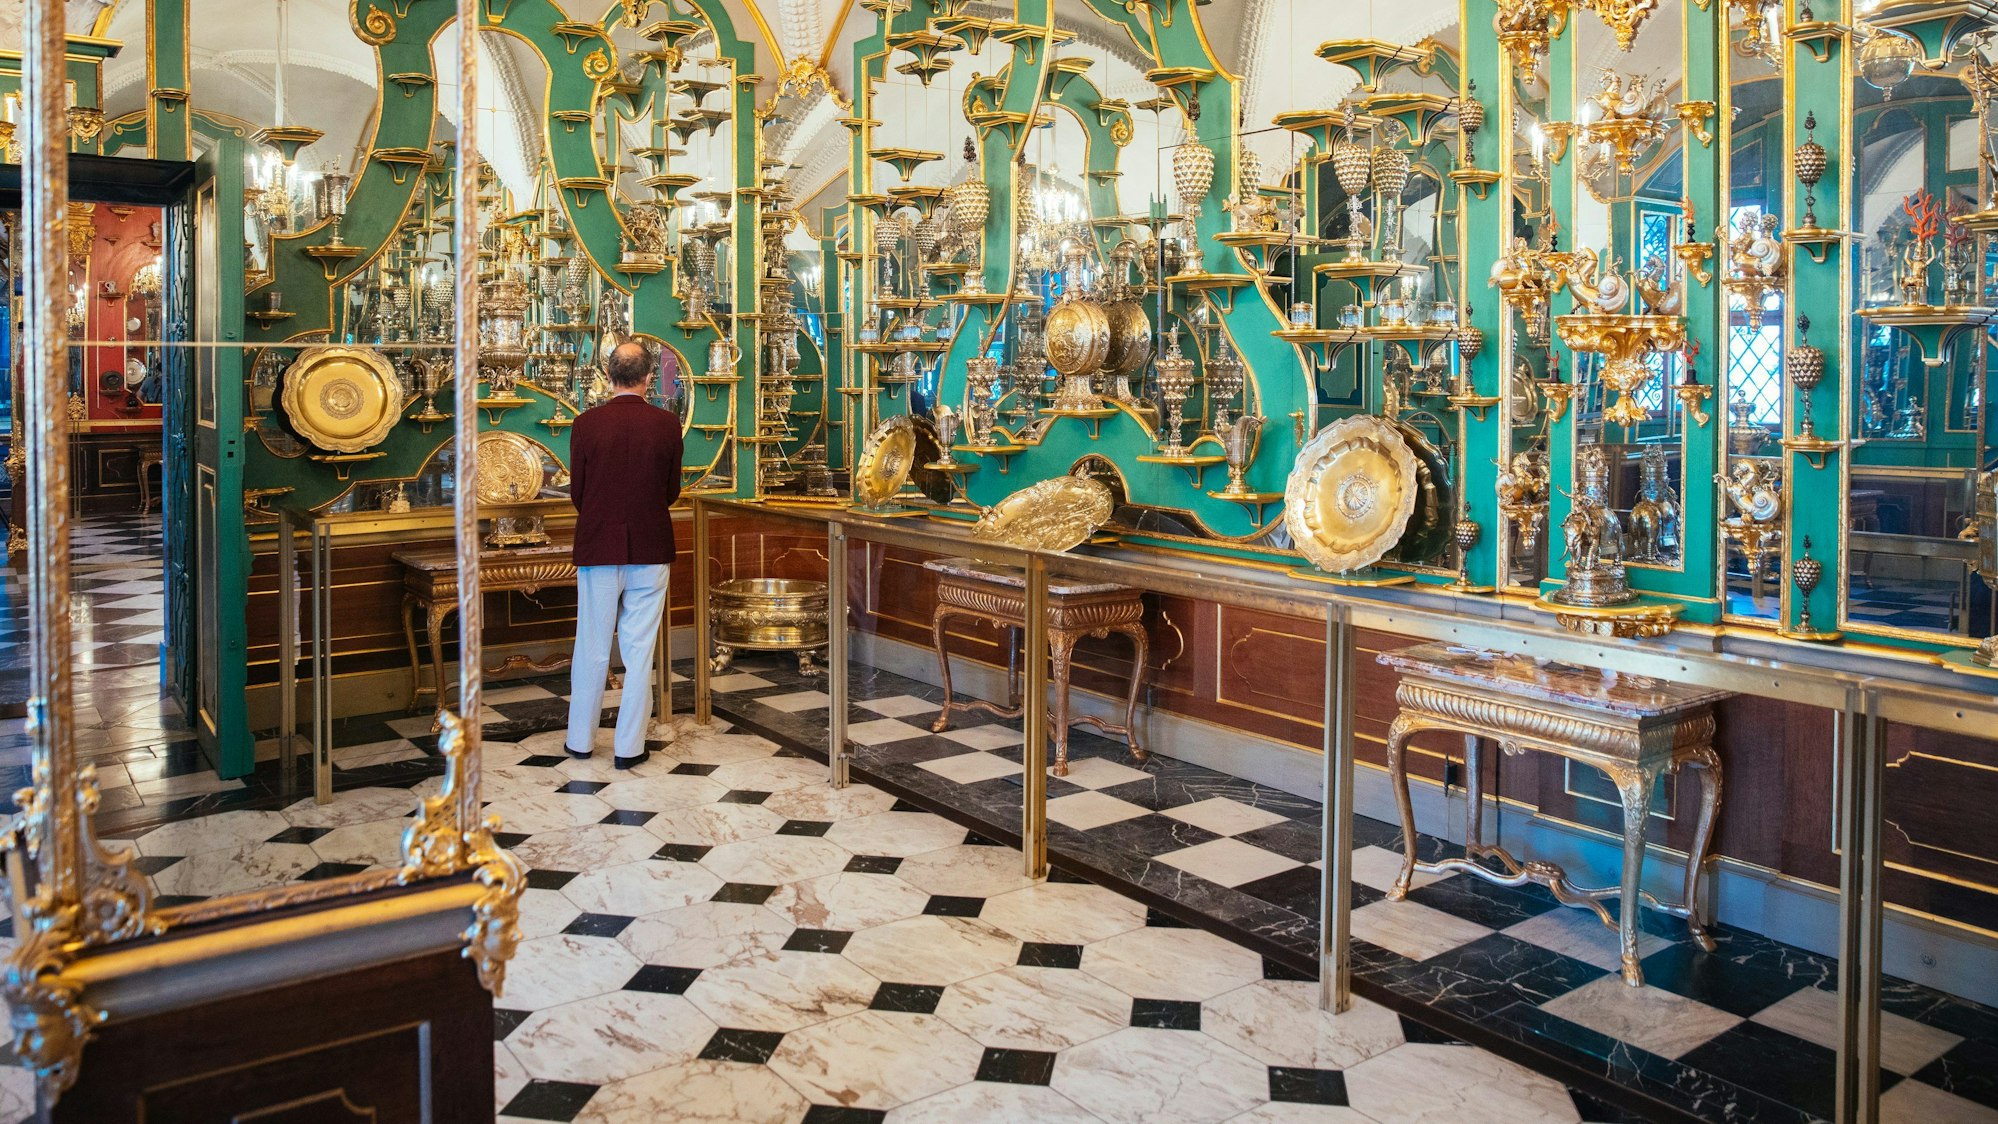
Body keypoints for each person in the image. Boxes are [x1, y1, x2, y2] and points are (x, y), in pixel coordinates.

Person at [564, 342, 684, 769]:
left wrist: (602, 515)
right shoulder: (668, 424)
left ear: (608, 375)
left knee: (592, 644)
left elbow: (578, 491)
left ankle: (580, 740)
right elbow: (672, 491)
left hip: (598, 542)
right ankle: (629, 747)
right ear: (649, 377)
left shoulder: (585, 424)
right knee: (639, 650)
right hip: (651, 544)